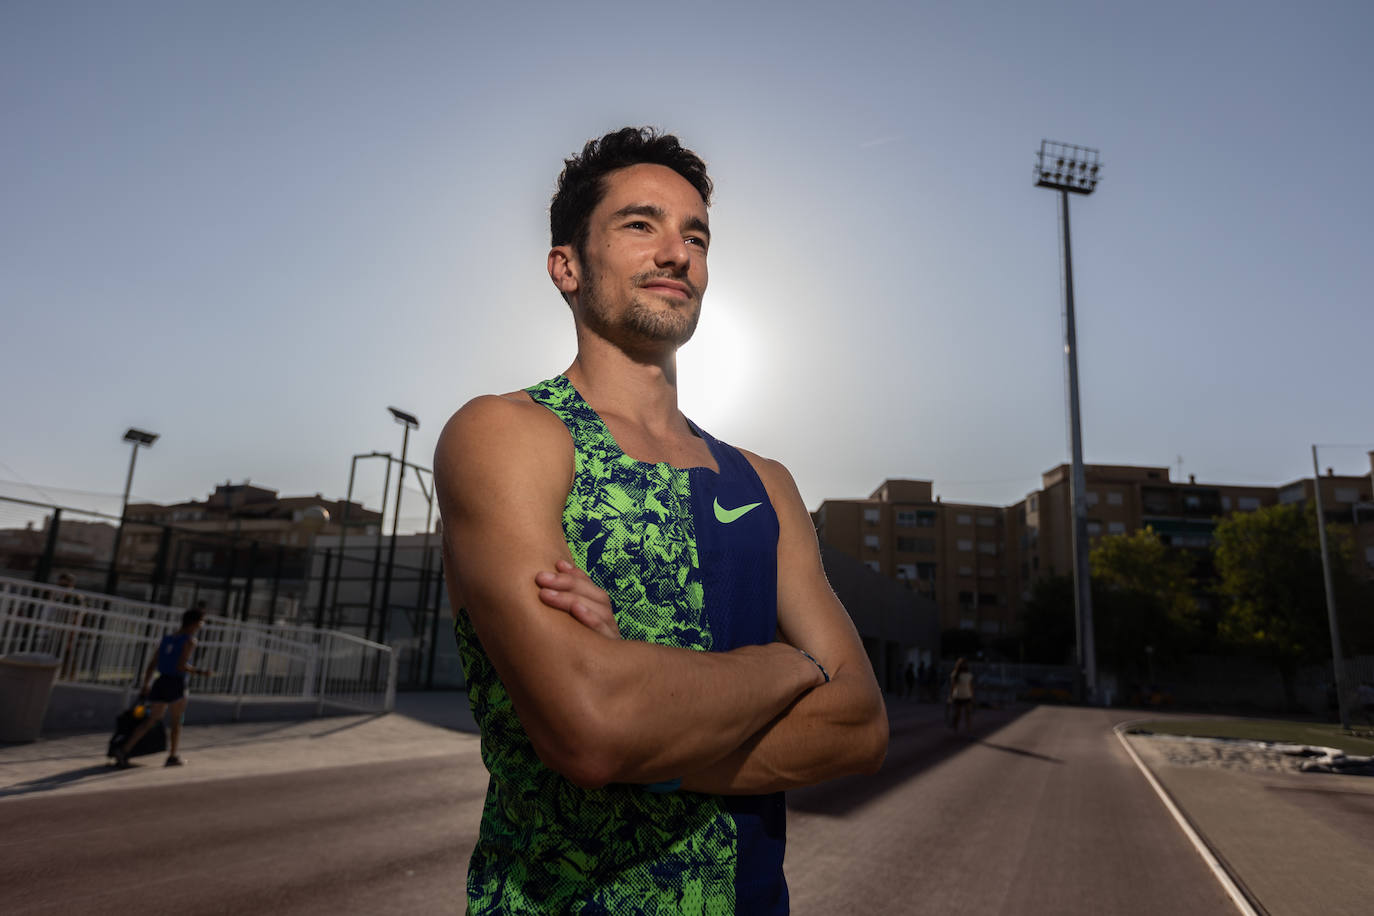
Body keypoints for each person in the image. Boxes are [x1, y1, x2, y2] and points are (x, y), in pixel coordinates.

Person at [434, 127, 888, 915]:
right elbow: (594, 726)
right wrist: (787, 668)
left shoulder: (767, 484)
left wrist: (646, 720)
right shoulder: (508, 435)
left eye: (695, 234)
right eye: (640, 224)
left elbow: (860, 727)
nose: (677, 253)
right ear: (567, 266)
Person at [114, 604, 214, 768]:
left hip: (160, 682)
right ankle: (173, 755)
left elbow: (153, 663)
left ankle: (124, 749)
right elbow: (181, 666)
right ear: (194, 623)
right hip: (176, 683)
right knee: (176, 721)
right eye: (201, 622)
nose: (201, 626)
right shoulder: (189, 641)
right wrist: (202, 672)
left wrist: (146, 683)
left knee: (151, 719)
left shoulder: (167, 638)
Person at [949, 657, 975, 732]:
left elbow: (971, 686)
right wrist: (950, 697)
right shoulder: (955, 674)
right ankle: (955, 727)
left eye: (964, 664)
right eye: (961, 664)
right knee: (958, 714)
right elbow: (952, 686)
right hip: (957, 696)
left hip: (967, 696)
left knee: (968, 715)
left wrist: (973, 697)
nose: (963, 665)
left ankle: (969, 731)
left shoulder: (969, 675)